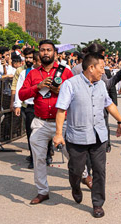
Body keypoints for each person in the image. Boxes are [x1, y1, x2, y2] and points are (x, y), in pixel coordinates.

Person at [52, 52, 121, 218]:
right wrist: (58, 134)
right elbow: (61, 110)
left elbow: (109, 104)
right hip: (77, 136)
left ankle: (97, 204)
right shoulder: (70, 84)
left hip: (99, 136)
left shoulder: (100, 84)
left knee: (99, 171)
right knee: (76, 170)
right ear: (91, 67)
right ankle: (76, 186)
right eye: (101, 67)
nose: (103, 71)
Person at [17, 40, 73, 205]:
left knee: (73, 155)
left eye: (49, 50)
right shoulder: (32, 74)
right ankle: (42, 191)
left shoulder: (65, 72)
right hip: (41, 121)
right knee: (39, 158)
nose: (46, 53)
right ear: (39, 54)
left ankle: (84, 177)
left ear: (55, 53)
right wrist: (38, 86)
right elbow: (22, 95)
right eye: (42, 50)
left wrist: (60, 89)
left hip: (63, 121)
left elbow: (76, 93)